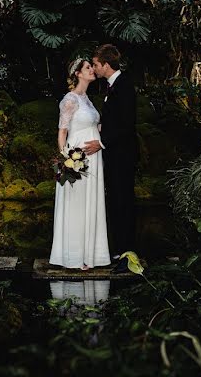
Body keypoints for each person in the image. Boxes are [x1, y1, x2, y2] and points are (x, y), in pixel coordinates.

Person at [49, 59, 111, 270]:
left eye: (92, 67)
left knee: (90, 202)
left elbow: (96, 127)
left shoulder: (88, 100)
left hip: (94, 157)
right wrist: (67, 158)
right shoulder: (70, 99)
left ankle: (90, 255)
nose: (92, 70)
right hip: (78, 158)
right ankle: (73, 256)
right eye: (87, 68)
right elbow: (62, 131)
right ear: (77, 73)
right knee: (76, 204)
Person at [83, 44, 137, 274]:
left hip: (122, 155)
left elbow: (127, 124)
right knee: (115, 201)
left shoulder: (124, 86)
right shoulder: (111, 86)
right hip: (114, 155)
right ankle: (119, 250)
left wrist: (102, 143)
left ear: (106, 64)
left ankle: (128, 255)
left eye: (95, 64)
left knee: (124, 202)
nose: (94, 68)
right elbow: (115, 120)